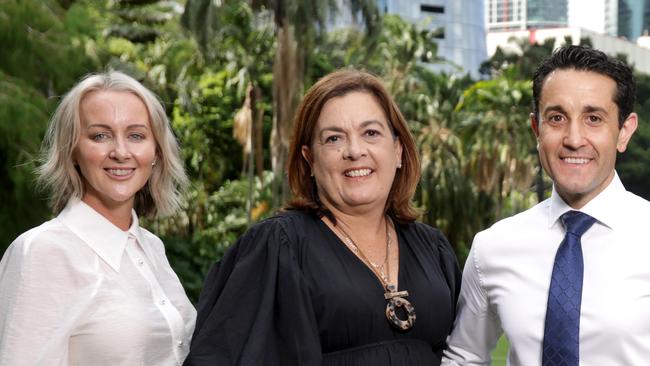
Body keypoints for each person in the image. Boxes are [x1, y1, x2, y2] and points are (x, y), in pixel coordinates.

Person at [184, 69, 461, 366]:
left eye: (371, 133)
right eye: (333, 139)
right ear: (310, 159)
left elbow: (463, 354)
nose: (355, 151)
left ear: (398, 150)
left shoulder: (433, 249)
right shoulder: (278, 247)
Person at [442, 45, 648, 365]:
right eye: (556, 118)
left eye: (593, 118)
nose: (574, 138)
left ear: (624, 131)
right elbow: (464, 354)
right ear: (537, 129)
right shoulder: (493, 248)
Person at [0, 71, 196, 365]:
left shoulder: (152, 247)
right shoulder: (42, 252)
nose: (120, 152)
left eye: (136, 135)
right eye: (100, 136)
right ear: (72, 151)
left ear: (155, 152)